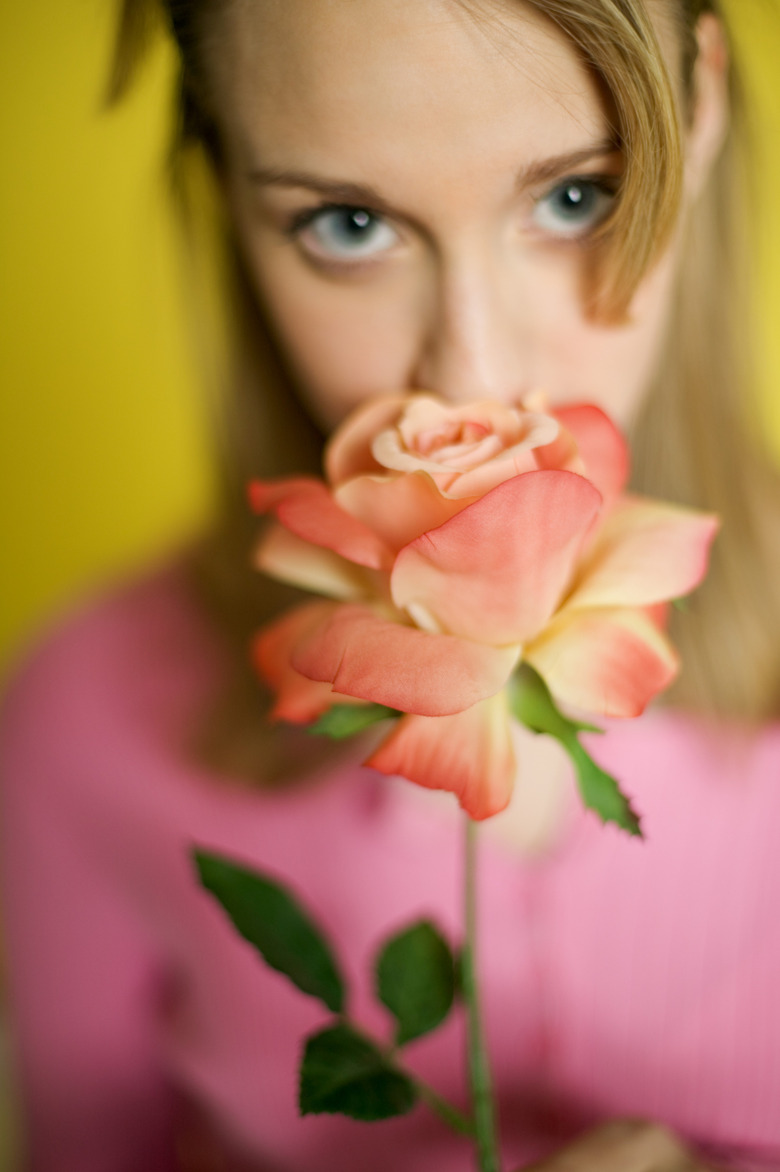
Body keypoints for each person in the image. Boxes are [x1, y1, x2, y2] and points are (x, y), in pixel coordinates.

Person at [2, 0, 780, 1168]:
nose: (474, 370)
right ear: (224, 191)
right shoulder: (82, 717)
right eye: (348, 223)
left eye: (578, 196)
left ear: (700, 106)